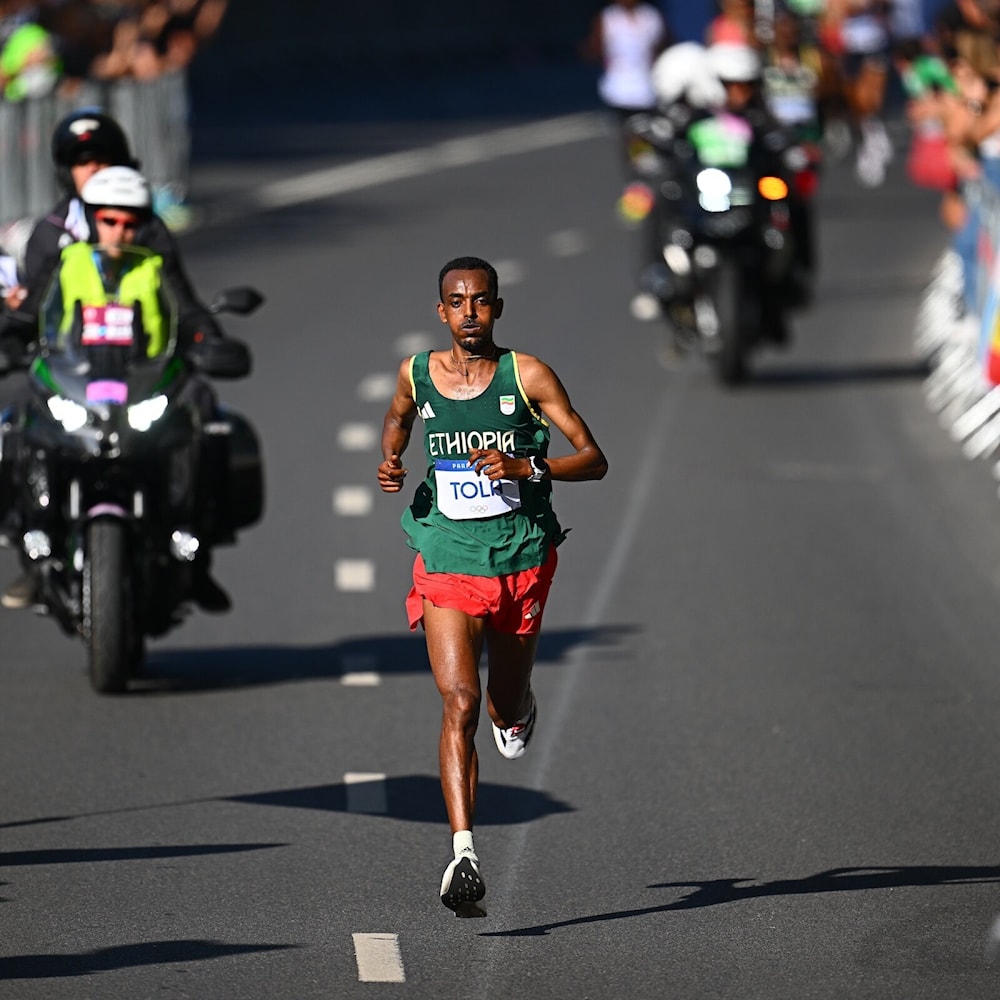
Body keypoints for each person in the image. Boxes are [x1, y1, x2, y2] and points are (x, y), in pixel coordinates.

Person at [377, 256, 608, 916]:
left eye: (481, 301)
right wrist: (392, 459)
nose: (470, 312)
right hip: (448, 553)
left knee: (503, 704)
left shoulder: (526, 374)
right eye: (458, 302)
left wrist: (526, 464)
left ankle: (521, 708)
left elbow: (594, 459)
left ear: (497, 309)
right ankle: (463, 851)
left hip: (521, 557)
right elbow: (398, 417)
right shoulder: (418, 373)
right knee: (460, 701)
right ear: (442, 312)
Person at [1, 163, 242, 612]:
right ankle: (29, 542)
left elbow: (186, 312)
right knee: (17, 423)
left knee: (207, 423)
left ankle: (197, 553)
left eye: (131, 222)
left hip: (142, 388)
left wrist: (209, 342)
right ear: (93, 219)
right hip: (79, 386)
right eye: (110, 220)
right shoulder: (67, 264)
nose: (120, 231)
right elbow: (31, 314)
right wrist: (10, 341)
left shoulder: (152, 267)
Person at [582, 0, 671, 167]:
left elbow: (664, 46)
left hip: (648, 89)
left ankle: (650, 171)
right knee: (631, 138)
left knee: (653, 135)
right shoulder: (608, 17)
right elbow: (594, 49)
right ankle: (638, 176)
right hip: (620, 91)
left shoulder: (651, 16)